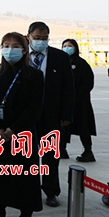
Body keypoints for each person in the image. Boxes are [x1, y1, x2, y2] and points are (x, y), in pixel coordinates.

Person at [0, 32, 44, 217]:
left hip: (22, 135)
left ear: (24, 50)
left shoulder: (34, 75)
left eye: (15, 46)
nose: (10, 50)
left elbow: (34, 108)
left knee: (24, 180)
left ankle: (26, 212)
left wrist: (13, 130)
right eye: (6, 46)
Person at [27, 21, 74, 207]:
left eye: (44, 38)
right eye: (37, 38)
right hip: (26, 116)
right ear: (29, 36)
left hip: (52, 115)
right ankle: (28, 190)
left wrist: (66, 114)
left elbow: (68, 88)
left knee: (50, 156)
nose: (40, 41)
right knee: (26, 155)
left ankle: (51, 191)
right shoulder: (20, 55)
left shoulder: (59, 57)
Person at [59, 39, 96, 162]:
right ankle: (62, 149)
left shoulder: (81, 64)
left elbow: (88, 82)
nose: (67, 48)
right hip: (65, 102)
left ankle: (88, 151)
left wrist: (77, 95)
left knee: (83, 126)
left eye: (70, 46)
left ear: (75, 48)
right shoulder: (61, 63)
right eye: (64, 46)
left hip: (80, 102)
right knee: (64, 125)